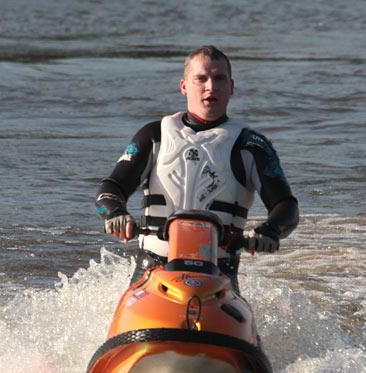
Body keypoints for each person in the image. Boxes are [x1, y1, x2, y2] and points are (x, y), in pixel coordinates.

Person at [94, 45, 298, 287]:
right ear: (184, 86)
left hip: (219, 276)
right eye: (201, 78)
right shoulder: (153, 135)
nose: (211, 86)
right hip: (151, 272)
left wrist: (269, 232)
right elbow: (111, 187)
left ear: (231, 87)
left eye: (219, 78)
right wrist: (116, 214)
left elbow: (286, 207)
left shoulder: (253, 146)